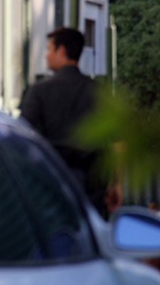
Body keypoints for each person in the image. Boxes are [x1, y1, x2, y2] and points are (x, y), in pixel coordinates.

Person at [20, 27, 107, 217]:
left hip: (52, 179)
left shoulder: (40, 91)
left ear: (61, 51)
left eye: (49, 49)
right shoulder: (99, 91)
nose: (46, 56)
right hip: (92, 182)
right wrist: (116, 184)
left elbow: (22, 132)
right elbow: (115, 141)